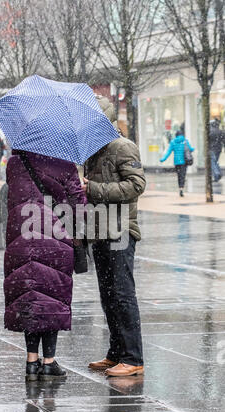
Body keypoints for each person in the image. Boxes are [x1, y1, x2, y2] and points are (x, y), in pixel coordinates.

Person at [4, 150, 86, 381]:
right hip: (54, 236)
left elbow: (14, 195)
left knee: (28, 296)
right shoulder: (63, 162)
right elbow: (77, 205)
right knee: (51, 297)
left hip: (19, 235)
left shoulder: (14, 163)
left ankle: (31, 361)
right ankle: (49, 362)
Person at [83, 96, 146, 378]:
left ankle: (133, 357)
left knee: (122, 294)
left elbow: (135, 185)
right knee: (107, 296)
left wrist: (94, 188)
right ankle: (116, 352)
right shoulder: (92, 151)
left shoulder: (123, 147)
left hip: (120, 231)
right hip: (100, 232)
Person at [160, 130, 195, 197]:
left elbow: (168, 152)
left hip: (177, 162)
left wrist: (163, 159)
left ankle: (180, 188)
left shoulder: (173, 142)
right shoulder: (185, 141)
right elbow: (190, 149)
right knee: (183, 175)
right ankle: (182, 188)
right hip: (184, 162)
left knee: (179, 175)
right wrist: (193, 149)